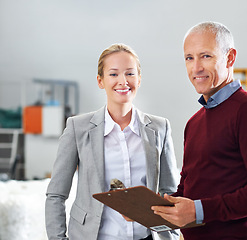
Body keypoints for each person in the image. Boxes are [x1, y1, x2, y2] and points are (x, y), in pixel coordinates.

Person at [152, 21, 247, 240]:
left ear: (230, 58)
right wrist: (152, 209)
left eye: (206, 56)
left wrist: (199, 211)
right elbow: (188, 187)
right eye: (189, 58)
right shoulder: (194, 122)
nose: (196, 68)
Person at [45, 43, 180, 240]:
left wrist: (172, 236)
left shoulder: (159, 128)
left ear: (139, 79)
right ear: (100, 81)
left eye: (130, 73)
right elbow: (56, 195)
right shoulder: (78, 128)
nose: (123, 81)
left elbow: (170, 192)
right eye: (114, 74)